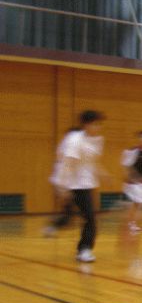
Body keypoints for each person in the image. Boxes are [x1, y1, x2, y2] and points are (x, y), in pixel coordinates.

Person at [54, 110, 108, 263]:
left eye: (99, 124)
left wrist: (103, 173)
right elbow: (67, 163)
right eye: (95, 124)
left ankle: (83, 248)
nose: (98, 127)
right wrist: (62, 186)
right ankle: (84, 250)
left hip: (87, 184)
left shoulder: (97, 140)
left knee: (88, 218)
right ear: (86, 125)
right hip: (74, 185)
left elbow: (93, 162)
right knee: (90, 218)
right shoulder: (75, 140)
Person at [43, 126, 81, 237]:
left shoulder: (66, 146)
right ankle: (51, 227)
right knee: (69, 214)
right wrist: (63, 187)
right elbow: (64, 168)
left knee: (70, 212)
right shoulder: (69, 147)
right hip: (64, 182)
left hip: (66, 182)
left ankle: (51, 227)